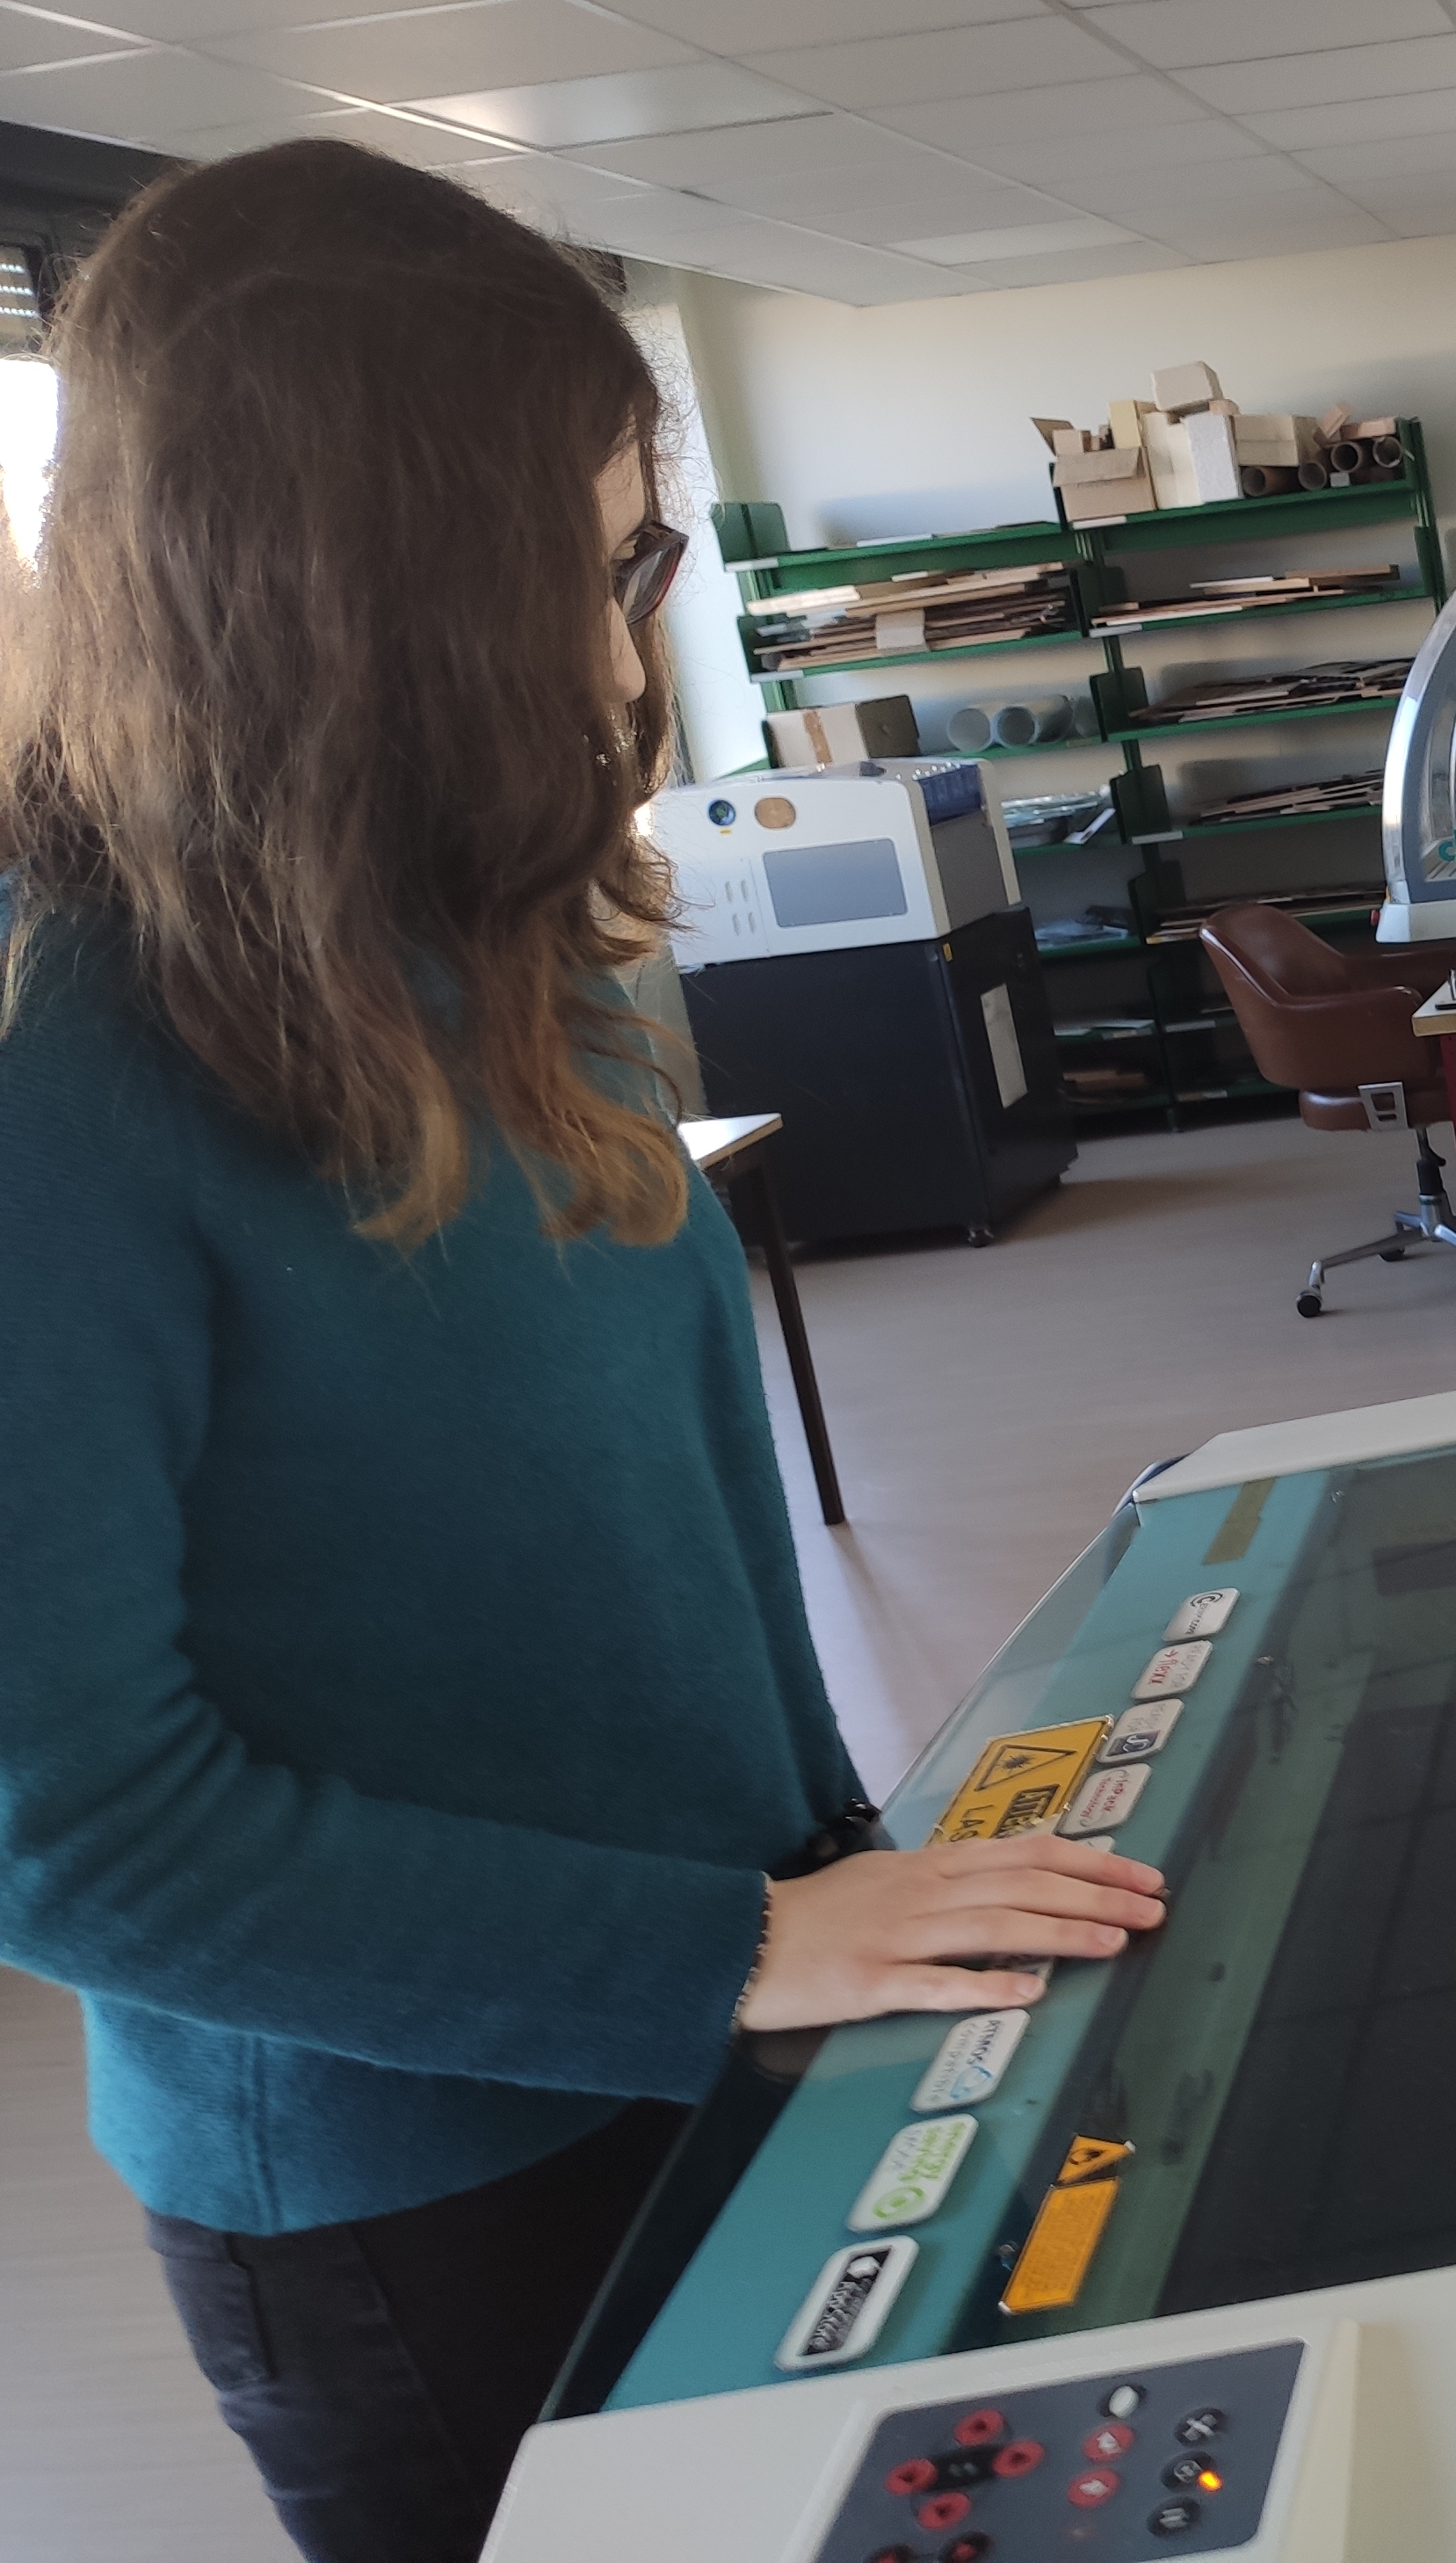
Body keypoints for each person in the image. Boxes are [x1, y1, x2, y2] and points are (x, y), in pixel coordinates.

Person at [0, 142, 1164, 2563]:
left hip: (714, 2003)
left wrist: (821, 1877)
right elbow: (68, 1831)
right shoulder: (62, 1072)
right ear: (377, 584)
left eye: (652, 560)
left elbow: (636, 1518)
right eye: (606, 567)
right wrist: (731, 1947)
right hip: (410, 2184)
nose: (637, 658)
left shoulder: (510, 939)